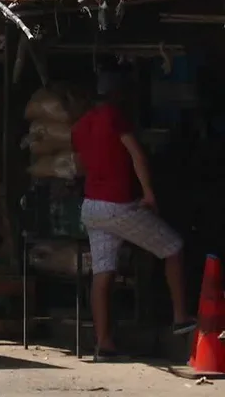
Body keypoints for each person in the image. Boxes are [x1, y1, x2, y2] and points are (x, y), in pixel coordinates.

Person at [70, 67, 196, 362]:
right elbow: (137, 154)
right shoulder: (115, 116)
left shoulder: (80, 125)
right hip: (117, 205)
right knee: (173, 248)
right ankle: (180, 317)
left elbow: (79, 165)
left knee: (103, 272)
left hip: (92, 207)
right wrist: (149, 192)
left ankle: (104, 343)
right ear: (117, 94)